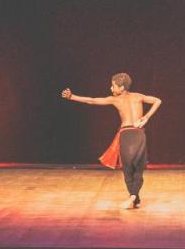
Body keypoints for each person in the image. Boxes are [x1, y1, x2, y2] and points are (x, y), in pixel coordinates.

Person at [62, 73, 162, 209]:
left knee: (128, 170)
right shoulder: (138, 96)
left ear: (121, 88)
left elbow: (91, 100)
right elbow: (158, 100)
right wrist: (146, 117)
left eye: (113, 86)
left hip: (126, 135)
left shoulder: (116, 100)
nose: (110, 88)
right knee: (138, 169)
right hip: (139, 134)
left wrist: (72, 97)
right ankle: (135, 198)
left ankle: (132, 196)